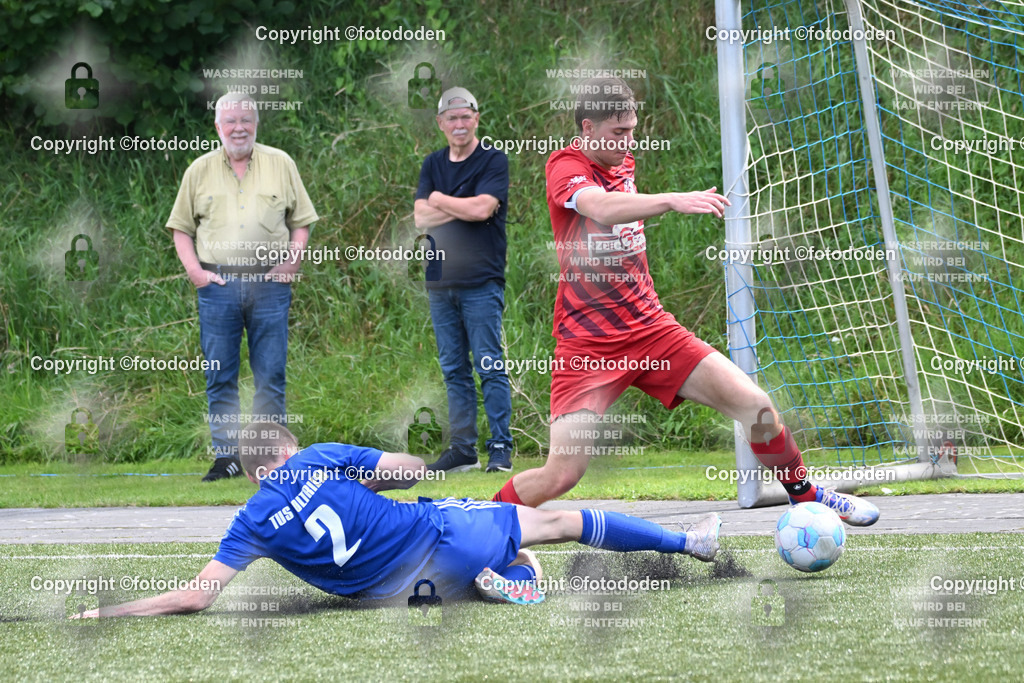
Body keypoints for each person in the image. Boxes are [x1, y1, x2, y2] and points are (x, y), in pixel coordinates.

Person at [490, 77, 879, 527]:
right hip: (589, 347)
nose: (629, 141)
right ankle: (477, 520)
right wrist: (672, 200)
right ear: (587, 127)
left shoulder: (622, 158)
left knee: (755, 406)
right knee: (562, 474)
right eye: (619, 132)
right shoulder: (565, 165)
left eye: (633, 129)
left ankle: (806, 495)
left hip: (652, 329)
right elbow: (599, 207)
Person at [71, 421, 721, 618]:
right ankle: (690, 541)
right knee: (557, 520)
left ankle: (499, 576)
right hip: (436, 533)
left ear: (251, 474)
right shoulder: (324, 456)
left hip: (392, 596)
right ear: (290, 450)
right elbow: (409, 469)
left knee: (448, 568)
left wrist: (109, 612)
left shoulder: (250, 522)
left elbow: (196, 596)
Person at [166, 92, 318, 481]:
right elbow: (181, 228)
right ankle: (227, 457)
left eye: (246, 120)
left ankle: (272, 460)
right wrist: (195, 273)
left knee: (270, 373)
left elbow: (301, 220)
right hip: (217, 285)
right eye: (230, 121)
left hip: (269, 283)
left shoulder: (280, 163)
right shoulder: (198, 171)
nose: (239, 128)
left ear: (256, 124)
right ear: (217, 127)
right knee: (221, 373)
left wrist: (293, 260)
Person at [413, 87, 514, 474]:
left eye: (465, 115)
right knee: (454, 369)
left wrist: (440, 200)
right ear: (440, 123)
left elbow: (483, 208)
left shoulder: (493, 161)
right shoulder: (432, 164)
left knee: (489, 364)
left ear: (477, 117)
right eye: (451, 117)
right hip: (440, 282)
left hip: (481, 280)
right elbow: (421, 218)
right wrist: (455, 205)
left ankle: (500, 447)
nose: (459, 123)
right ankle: (463, 449)